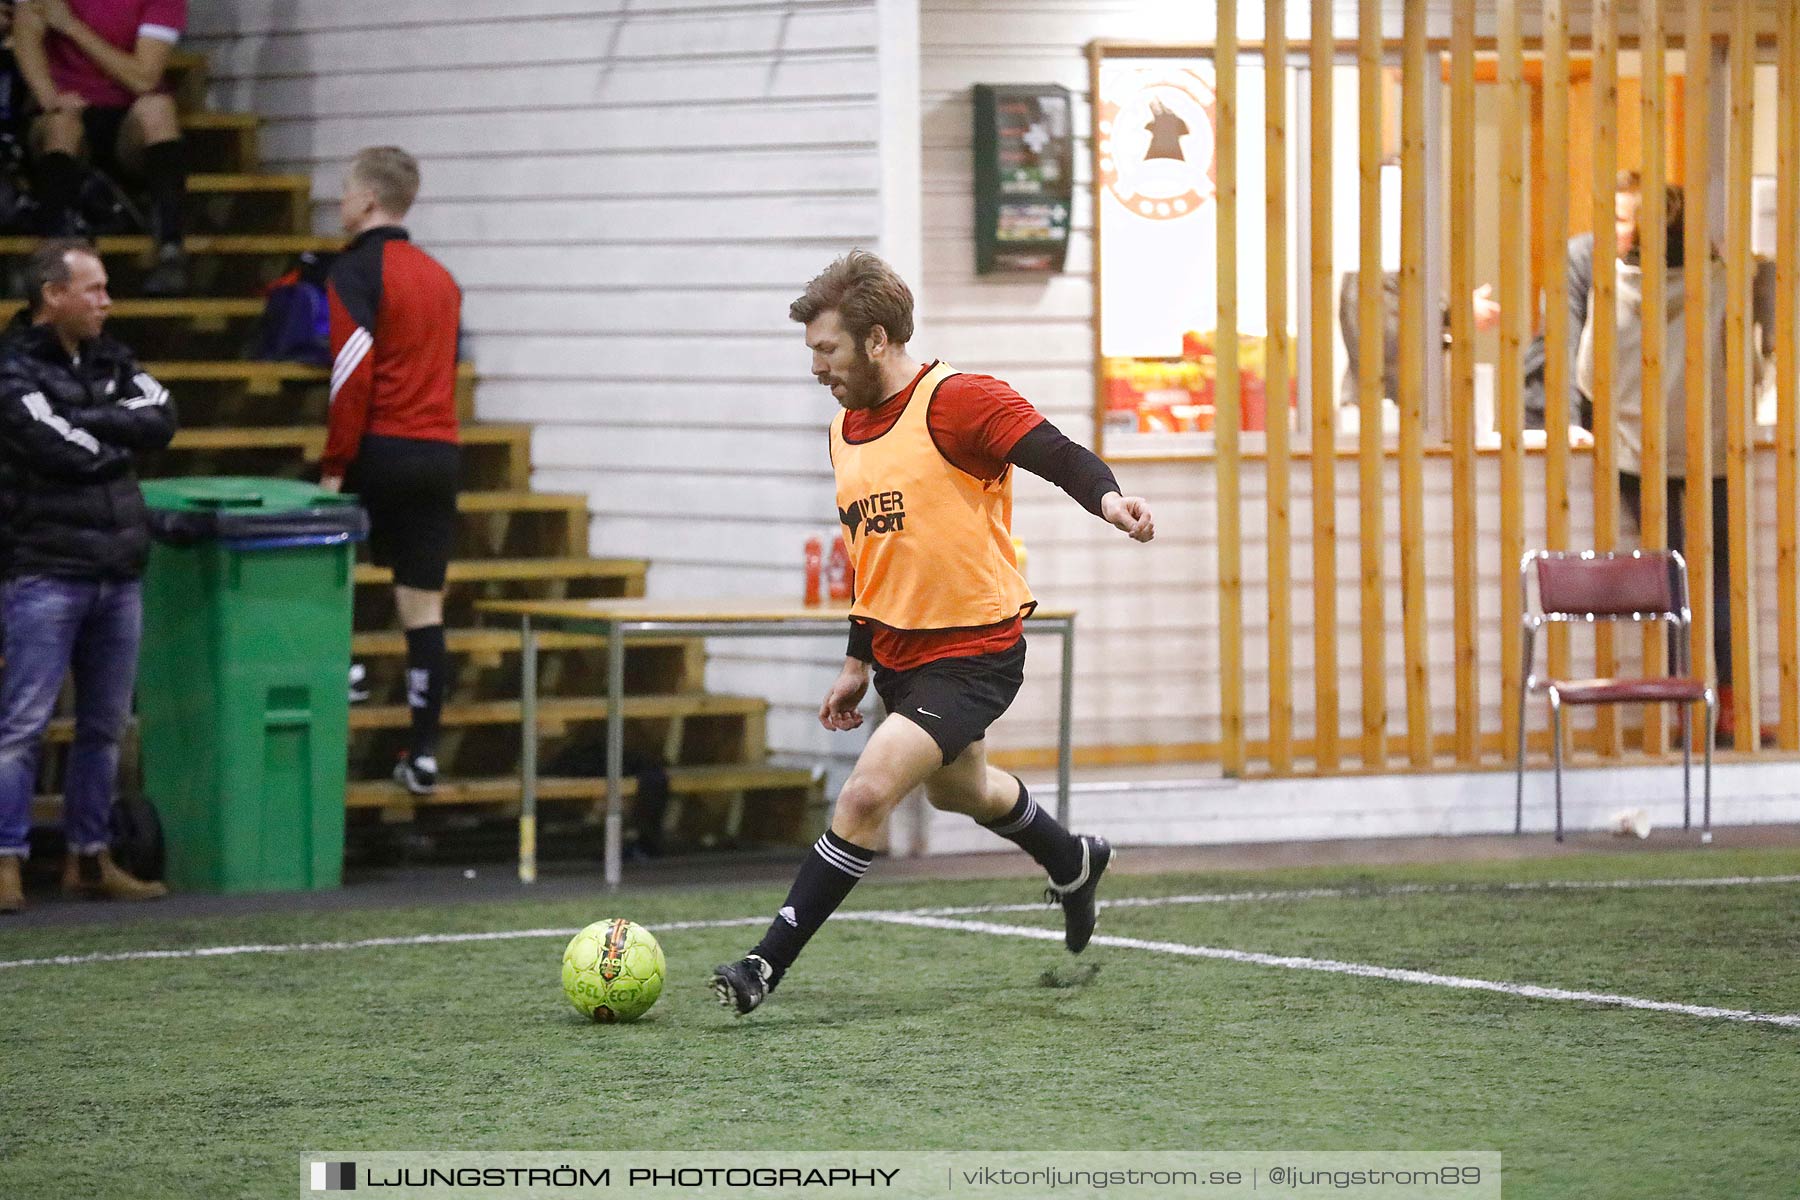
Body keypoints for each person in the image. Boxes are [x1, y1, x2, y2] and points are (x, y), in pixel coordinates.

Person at [711, 250, 1156, 1016]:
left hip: (976, 651)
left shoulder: (958, 401)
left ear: (876, 339)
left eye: (827, 349)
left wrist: (1110, 501)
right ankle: (1073, 859)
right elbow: (873, 554)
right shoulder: (843, 431)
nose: (816, 367)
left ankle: (764, 963)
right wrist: (856, 660)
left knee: (865, 793)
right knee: (963, 791)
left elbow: (1058, 454)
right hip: (900, 658)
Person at [0, 237, 175, 911]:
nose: (108, 301)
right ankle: (7, 860)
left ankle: (90, 858)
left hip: (118, 570)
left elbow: (162, 416)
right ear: (53, 295)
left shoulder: (111, 356)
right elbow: (54, 447)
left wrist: (89, 422)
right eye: (95, 289)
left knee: (105, 727)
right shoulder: (12, 367)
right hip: (45, 570)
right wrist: (112, 438)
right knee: (22, 725)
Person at [320, 146, 461, 796]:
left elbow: (351, 373)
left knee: (328, 558)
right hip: (438, 452)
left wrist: (334, 464)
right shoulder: (441, 277)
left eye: (345, 190)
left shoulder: (356, 269)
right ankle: (424, 752)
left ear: (369, 199)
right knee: (423, 605)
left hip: (381, 445)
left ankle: (341, 669)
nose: (338, 202)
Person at [9, 0, 191, 295]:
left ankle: (170, 247)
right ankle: (52, 250)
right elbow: (26, 32)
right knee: (61, 125)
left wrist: (71, 26)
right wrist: (48, 96)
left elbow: (144, 78)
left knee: (159, 108)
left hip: (126, 119)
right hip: (68, 109)